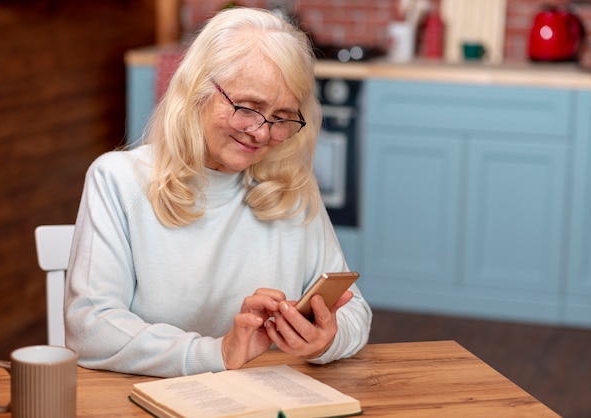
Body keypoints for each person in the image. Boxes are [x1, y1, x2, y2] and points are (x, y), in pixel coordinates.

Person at [64, 7, 372, 378]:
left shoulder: (292, 186)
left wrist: (326, 341)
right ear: (198, 92)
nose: (261, 133)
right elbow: (90, 329)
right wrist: (217, 353)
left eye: (281, 117)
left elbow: (353, 310)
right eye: (248, 107)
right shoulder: (118, 180)